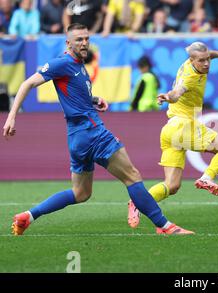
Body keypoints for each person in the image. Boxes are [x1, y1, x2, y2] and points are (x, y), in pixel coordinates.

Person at [2, 23, 193, 236]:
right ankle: (165, 226)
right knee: (132, 175)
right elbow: (27, 83)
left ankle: (28, 216)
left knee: (81, 193)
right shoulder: (62, 63)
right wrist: (12, 116)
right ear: (68, 43)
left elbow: (72, 93)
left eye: (86, 38)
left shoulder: (78, 65)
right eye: (79, 40)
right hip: (92, 132)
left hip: (77, 137)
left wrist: (93, 99)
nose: (84, 43)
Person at [127, 42, 218, 230]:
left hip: (169, 130)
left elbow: (208, 54)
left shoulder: (195, 60)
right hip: (184, 127)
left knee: (172, 185)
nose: (206, 64)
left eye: (207, 60)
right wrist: (169, 97)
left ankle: (137, 201)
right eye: (201, 61)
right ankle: (207, 178)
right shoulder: (191, 77)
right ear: (192, 60)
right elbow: (178, 92)